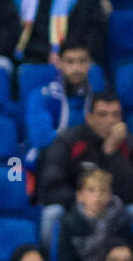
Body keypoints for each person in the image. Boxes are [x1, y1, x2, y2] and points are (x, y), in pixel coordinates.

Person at [36, 90, 133, 248]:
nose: (110, 121)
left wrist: (112, 154)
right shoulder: (68, 141)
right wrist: (86, 202)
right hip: (76, 212)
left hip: (116, 214)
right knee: (52, 214)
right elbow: (50, 187)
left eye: (115, 115)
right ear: (89, 118)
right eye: (103, 115)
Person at [23, 39, 100, 168]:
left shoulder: (97, 95)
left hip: (86, 159)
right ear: (59, 63)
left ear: (90, 64)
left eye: (82, 61)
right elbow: (41, 139)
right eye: (70, 61)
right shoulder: (42, 96)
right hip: (51, 161)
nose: (76, 68)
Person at [56, 167, 133, 261]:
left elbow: (125, 256)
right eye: (91, 190)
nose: (97, 196)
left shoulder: (120, 221)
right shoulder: (68, 222)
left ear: (110, 195)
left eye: (103, 190)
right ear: (80, 195)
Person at [14, 0, 109, 68]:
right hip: (38, 57)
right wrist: (48, 54)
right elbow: (17, 33)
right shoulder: (26, 2)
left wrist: (68, 54)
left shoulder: (87, 2)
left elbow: (94, 32)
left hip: (79, 56)